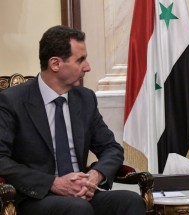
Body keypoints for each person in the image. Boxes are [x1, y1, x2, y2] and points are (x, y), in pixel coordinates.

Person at [0, 25, 146, 215]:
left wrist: (94, 176)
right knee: (78, 208)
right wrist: (54, 183)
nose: (88, 67)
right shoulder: (13, 101)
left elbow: (111, 148)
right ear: (55, 64)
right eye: (80, 60)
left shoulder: (85, 99)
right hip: (36, 198)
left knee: (130, 201)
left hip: (82, 195)